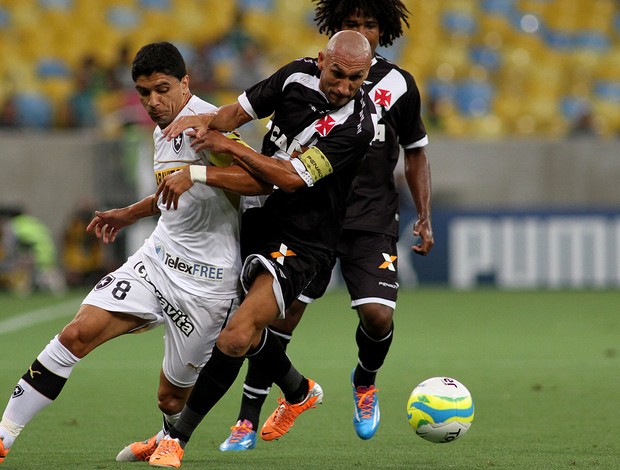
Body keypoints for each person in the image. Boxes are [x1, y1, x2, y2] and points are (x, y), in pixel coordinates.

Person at [0, 41, 269, 466]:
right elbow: (176, 188)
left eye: (162, 90)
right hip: (157, 260)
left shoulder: (208, 124)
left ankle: (167, 436)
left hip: (206, 283)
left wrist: (197, 171)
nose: (153, 102)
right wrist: (132, 212)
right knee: (76, 334)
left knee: (170, 397)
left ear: (185, 83)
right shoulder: (162, 126)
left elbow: (261, 182)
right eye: (144, 93)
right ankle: (3, 437)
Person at [144, 30, 376, 467]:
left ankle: (175, 441)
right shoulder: (294, 77)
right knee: (239, 331)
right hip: (256, 218)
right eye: (337, 74)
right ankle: (298, 389)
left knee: (234, 336)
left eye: (356, 79)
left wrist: (220, 150)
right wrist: (205, 122)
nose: (344, 87)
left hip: (305, 239)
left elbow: (288, 178)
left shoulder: (359, 125)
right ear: (322, 59)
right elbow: (238, 112)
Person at [219, 0, 434, 451]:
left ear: (384, 31)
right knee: (278, 317)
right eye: (351, 23)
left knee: (377, 316)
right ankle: (247, 418)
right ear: (333, 34)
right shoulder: (309, 77)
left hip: (368, 216)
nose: (362, 30)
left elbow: (416, 149)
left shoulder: (398, 85)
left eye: (370, 24)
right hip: (307, 217)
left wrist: (425, 214)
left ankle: (365, 380)